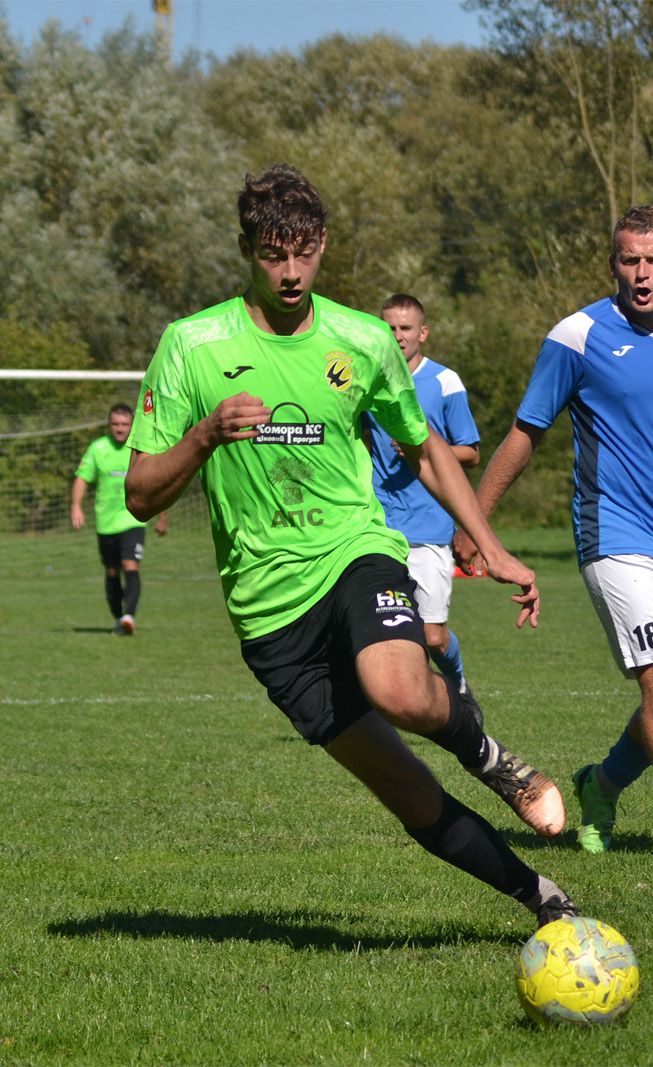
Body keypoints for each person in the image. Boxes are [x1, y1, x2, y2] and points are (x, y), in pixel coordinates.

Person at [124, 164, 577, 929]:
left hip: (354, 551)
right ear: (246, 249)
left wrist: (488, 544)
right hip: (268, 611)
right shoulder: (191, 345)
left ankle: (491, 758)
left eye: (304, 253)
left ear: (324, 245)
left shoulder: (363, 340)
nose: (291, 272)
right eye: (274, 254)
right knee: (407, 791)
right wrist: (203, 437)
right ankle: (545, 899)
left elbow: (424, 447)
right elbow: (140, 492)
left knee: (400, 688)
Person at [458, 204, 653, 863]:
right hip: (614, 534)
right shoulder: (577, 336)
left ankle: (601, 784)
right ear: (613, 265)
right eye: (630, 260)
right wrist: (475, 522)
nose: (642, 272)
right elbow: (525, 434)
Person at [364, 293, 480, 690]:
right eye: (389, 328)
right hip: (377, 527)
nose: (397, 336)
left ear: (423, 333)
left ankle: (458, 686)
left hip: (429, 527)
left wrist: (426, 447)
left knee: (432, 637)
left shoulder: (444, 382)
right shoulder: (367, 382)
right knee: (383, 632)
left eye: (406, 328)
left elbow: (471, 453)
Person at [71, 403, 167, 634]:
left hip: (134, 518)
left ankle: (128, 617)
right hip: (106, 523)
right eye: (115, 424)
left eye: (124, 424)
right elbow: (82, 478)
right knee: (112, 571)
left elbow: (158, 483)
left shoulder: (141, 448)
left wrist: (162, 516)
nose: (119, 428)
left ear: (132, 425)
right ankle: (118, 618)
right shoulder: (98, 448)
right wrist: (76, 506)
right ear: (109, 425)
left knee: (130, 564)